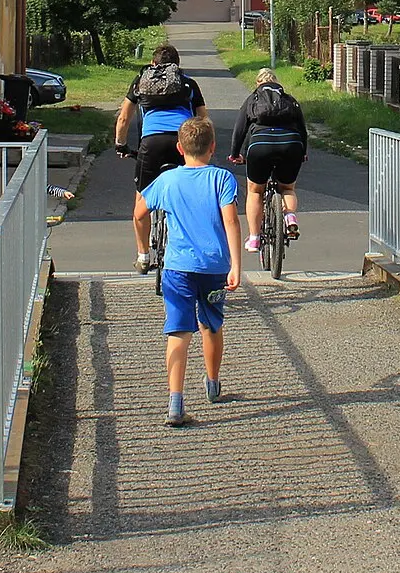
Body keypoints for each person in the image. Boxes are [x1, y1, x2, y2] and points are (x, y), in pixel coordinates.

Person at [132, 115, 242, 427]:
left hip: (177, 268)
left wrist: (144, 250)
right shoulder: (222, 179)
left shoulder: (166, 181)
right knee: (211, 324)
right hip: (213, 267)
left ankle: (175, 401)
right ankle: (212, 382)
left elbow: (139, 213)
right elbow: (231, 221)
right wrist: (236, 264)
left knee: (178, 331)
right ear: (213, 147)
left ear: (180, 148)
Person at [114, 43, 207, 273]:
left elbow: (124, 118)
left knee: (142, 202)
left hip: (151, 144)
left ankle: (143, 256)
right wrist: (203, 150)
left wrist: (121, 144)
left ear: (153, 63)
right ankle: (188, 249)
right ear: (177, 65)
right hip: (181, 144)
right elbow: (203, 120)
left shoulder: (141, 81)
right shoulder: (188, 84)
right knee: (187, 197)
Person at [228, 67, 307, 251]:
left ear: (258, 83)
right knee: (287, 187)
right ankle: (290, 216)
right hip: (291, 144)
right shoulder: (289, 100)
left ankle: (255, 238)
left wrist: (235, 153)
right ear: (277, 82)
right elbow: (302, 129)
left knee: (255, 191)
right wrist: (303, 151)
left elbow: (240, 129)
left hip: (260, 146)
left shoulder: (253, 99)